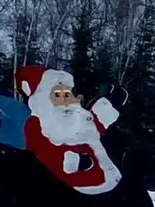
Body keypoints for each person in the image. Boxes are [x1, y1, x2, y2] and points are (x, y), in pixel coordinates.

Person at [15, 66, 122, 195]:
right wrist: (72, 161)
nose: (65, 98)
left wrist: (110, 103)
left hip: (112, 177)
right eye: (57, 94)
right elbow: (42, 151)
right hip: (80, 184)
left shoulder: (80, 116)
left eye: (68, 93)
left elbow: (97, 122)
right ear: (43, 100)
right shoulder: (38, 123)